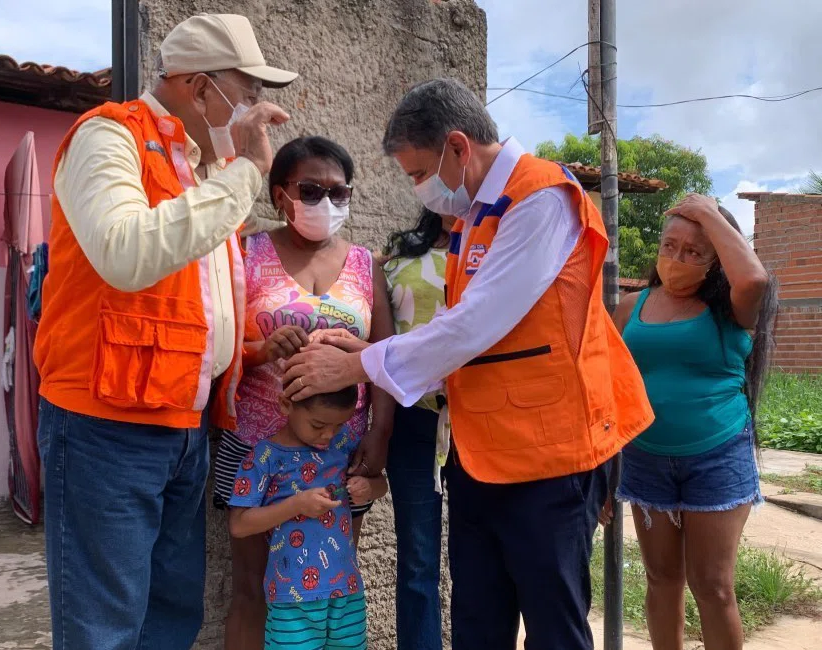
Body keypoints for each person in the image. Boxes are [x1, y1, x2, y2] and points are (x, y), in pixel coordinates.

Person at [282, 77, 655, 650]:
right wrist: (370, 355)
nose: (418, 190)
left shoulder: (541, 199)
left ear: (457, 147)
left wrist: (356, 369)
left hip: (551, 455)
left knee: (554, 629)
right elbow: (461, 342)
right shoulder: (476, 217)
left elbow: (477, 324)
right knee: (478, 623)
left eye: (417, 173)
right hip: (482, 455)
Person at [32, 14, 296, 650]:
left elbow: (196, 306)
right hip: (105, 426)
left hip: (182, 424)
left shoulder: (199, 172)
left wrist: (249, 352)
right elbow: (125, 253)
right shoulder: (108, 137)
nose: (259, 108)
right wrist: (245, 174)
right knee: (105, 629)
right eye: (248, 89)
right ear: (203, 89)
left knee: (169, 620)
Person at [211, 136, 395, 649]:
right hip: (253, 446)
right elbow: (216, 347)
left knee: (327, 588)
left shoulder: (366, 265)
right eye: (311, 190)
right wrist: (260, 349)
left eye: (340, 193)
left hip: (339, 451)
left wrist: (378, 437)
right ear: (278, 195)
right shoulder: (245, 251)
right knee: (251, 589)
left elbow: (385, 356)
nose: (327, 203)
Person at [599, 194, 776, 650]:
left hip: (716, 457)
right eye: (669, 245)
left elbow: (755, 278)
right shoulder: (631, 308)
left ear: (717, 262)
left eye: (694, 252)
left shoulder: (733, 310)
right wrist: (600, 470)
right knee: (661, 580)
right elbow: (607, 388)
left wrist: (711, 215)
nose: (676, 259)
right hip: (645, 460)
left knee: (713, 587)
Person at [228, 384, 388, 650]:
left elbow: (380, 484)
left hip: (346, 592)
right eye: (318, 425)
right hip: (292, 599)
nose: (328, 435)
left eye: (338, 425)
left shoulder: (343, 443)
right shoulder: (263, 458)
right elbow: (239, 524)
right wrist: (297, 505)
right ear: (286, 405)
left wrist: (368, 488)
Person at [379, 208, 451, 649]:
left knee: (478, 560)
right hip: (413, 420)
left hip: (478, 423)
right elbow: (382, 341)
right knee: (418, 560)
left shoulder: (497, 254)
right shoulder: (396, 259)